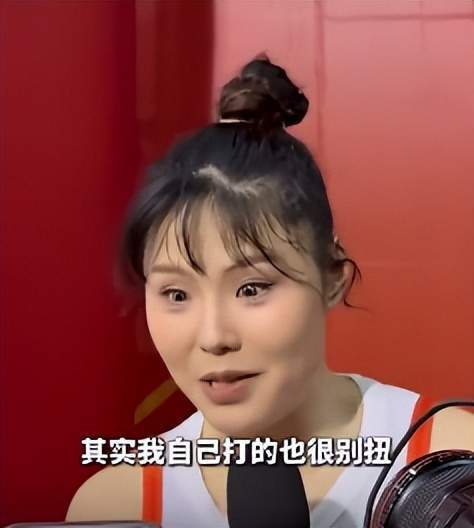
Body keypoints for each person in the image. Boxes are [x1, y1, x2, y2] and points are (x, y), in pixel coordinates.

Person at [66, 55, 473, 527]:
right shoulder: (120, 504)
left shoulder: (455, 468)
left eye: (252, 288)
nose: (214, 337)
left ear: (333, 278)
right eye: (176, 295)